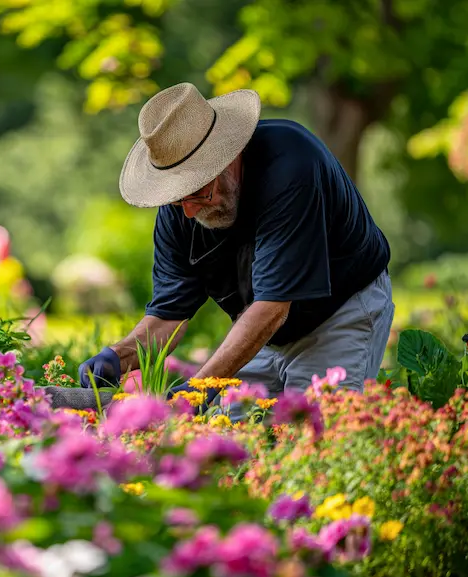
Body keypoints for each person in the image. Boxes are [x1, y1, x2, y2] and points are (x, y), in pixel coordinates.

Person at [78, 82, 395, 409]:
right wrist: (116, 357)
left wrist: (199, 389)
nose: (188, 211)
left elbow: (273, 307)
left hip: (339, 311)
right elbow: (168, 317)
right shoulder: (180, 209)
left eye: (196, 192)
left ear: (228, 158)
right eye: (176, 199)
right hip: (264, 330)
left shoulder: (291, 166)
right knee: (233, 436)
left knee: (311, 435)